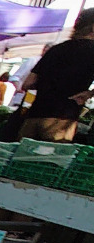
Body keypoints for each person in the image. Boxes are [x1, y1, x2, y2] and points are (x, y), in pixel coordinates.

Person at [20, 9, 94, 143]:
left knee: (21, 161)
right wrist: (89, 94)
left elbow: (28, 83)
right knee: (48, 162)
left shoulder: (56, 49)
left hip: (34, 115)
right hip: (62, 119)